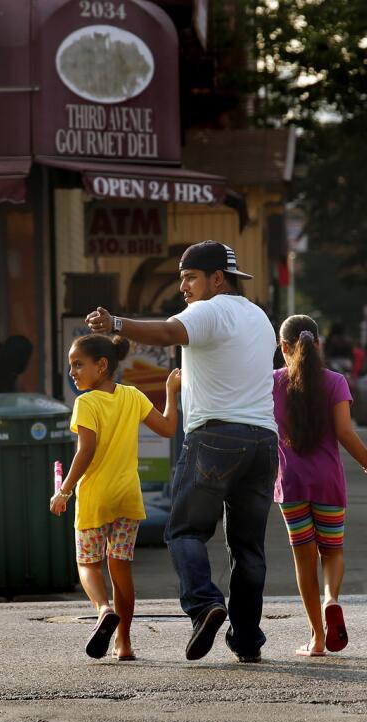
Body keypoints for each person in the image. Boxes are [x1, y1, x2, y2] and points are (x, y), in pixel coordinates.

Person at [85, 240, 278, 664]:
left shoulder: (210, 310)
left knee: (185, 532)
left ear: (218, 279)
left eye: (191, 277)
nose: (185, 287)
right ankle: (247, 639)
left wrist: (116, 322)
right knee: (248, 548)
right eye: (182, 279)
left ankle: (204, 604)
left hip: (214, 437)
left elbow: (170, 333)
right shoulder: (260, 318)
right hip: (264, 441)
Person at [49, 334, 181, 660]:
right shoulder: (132, 395)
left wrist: (64, 491)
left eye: (78, 365)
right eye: (71, 366)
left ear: (102, 365)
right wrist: (170, 392)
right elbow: (166, 428)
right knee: (121, 572)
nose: (73, 373)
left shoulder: (86, 403)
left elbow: (86, 451)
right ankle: (124, 644)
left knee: (88, 564)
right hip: (127, 498)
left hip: (95, 497)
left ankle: (103, 609)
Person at [272, 315, 367, 657]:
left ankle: (317, 638)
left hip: (291, 484)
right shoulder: (335, 382)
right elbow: (345, 434)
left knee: (304, 559)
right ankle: (331, 599)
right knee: (332, 551)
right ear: (318, 345)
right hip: (328, 484)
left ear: (284, 348)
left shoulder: (272, 382)